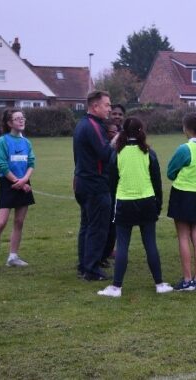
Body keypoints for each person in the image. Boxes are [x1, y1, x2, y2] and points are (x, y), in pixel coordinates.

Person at [98, 117, 173, 297]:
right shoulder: (149, 153)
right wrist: (159, 204)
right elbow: (157, 182)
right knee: (150, 244)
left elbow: (111, 182)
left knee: (122, 245)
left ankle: (116, 287)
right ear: (141, 131)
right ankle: (160, 284)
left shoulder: (117, 153)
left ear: (123, 132)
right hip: (147, 202)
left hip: (124, 203)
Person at [167, 112, 196, 291]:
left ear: (186, 128)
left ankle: (187, 280)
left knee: (184, 237)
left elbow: (170, 172)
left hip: (183, 195)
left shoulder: (184, 149)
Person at [73, 90, 114, 281]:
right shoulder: (93, 126)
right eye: (107, 105)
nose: (110, 109)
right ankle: (92, 269)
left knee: (87, 226)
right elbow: (105, 153)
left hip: (82, 183)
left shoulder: (82, 124)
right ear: (95, 106)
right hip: (95, 185)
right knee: (97, 227)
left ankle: (84, 265)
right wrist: (116, 140)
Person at [0, 109, 35, 267]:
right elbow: (1, 165)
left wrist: (24, 180)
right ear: (9, 123)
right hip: (8, 184)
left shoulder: (26, 142)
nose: (21, 120)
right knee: (0, 223)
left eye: (22, 118)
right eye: (17, 118)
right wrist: (17, 181)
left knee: (19, 222)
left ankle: (13, 257)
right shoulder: (2, 141)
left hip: (24, 183)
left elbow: (31, 163)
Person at [99, 121, 120, 267]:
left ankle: (106, 254)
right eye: (112, 131)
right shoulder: (104, 149)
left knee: (113, 224)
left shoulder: (118, 148)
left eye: (116, 131)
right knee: (104, 224)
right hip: (105, 188)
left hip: (116, 190)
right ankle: (100, 255)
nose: (115, 134)